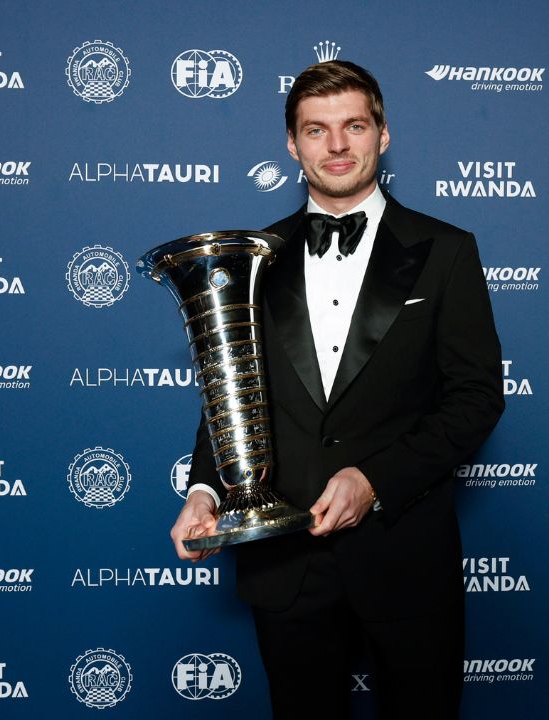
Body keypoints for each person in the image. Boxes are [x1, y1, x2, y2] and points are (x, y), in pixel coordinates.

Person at [170, 60, 504, 718]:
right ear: (293, 145)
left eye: (354, 125)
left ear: (383, 134)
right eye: (316, 130)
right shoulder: (251, 258)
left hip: (404, 557)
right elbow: (230, 394)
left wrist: (374, 480)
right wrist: (206, 491)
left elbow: (475, 400)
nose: (338, 145)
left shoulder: (447, 250)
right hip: (286, 566)